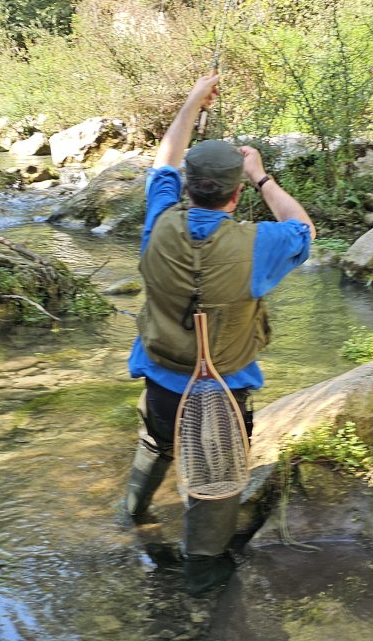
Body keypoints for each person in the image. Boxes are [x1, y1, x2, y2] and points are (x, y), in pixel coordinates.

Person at [123, 73, 316, 595]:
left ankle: (134, 513)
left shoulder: (159, 219)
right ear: (234, 195)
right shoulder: (261, 245)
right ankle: (201, 582)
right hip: (225, 394)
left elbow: (165, 158)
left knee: (156, 443)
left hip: (163, 388)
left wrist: (189, 103)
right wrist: (263, 177)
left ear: (188, 188)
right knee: (215, 491)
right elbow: (304, 230)